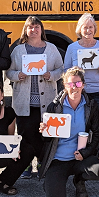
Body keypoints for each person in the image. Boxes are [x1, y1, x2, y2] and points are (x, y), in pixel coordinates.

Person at [38, 67, 99, 197]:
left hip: (79, 158)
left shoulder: (90, 106)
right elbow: (46, 141)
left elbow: (97, 133)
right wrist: (44, 132)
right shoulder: (55, 106)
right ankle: (51, 181)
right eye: (70, 84)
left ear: (83, 85)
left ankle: (79, 180)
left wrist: (85, 153)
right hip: (58, 160)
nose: (74, 87)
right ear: (64, 85)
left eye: (78, 84)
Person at [7, 16, 64, 179]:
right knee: (25, 132)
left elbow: (62, 69)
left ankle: (41, 162)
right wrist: (18, 75)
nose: (34, 30)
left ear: (41, 29)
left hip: (46, 102)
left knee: (44, 134)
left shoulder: (52, 49)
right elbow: (9, 73)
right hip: (24, 101)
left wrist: (51, 75)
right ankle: (25, 164)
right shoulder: (18, 50)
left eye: (37, 27)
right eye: (30, 27)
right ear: (26, 30)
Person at [63, 13, 99, 119]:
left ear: (94, 29)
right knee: (81, 122)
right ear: (80, 29)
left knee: (97, 124)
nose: (88, 30)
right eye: (85, 27)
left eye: (91, 27)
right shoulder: (72, 48)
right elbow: (65, 71)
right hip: (79, 91)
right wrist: (74, 71)